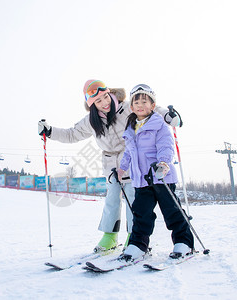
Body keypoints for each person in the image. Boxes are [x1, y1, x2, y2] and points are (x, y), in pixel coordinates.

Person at [38, 80, 181, 253]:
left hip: (132, 157)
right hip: (111, 164)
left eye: (105, 96)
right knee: (112, 199)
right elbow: (72, 134)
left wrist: (168, 116)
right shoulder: (92, 121)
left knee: (134, 199)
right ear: (92, 105)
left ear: (110, 93)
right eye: (98, 101)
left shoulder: (126, 107)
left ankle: (134, 237)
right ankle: (110, 236)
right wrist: (50, 131)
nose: (105, 103)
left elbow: (152, 109)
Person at [117, 84, 194, 262]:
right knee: (141, 213)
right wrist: (122, 168)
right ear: (131, 107)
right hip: (141, 180)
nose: (140, 105)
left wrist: (163, 163)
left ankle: (184, 243)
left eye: (145, 101)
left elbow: (166, 146)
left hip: (160, 176)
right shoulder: (130, 129)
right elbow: (129, 152)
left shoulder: (159, 125)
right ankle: (138, 245)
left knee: (171, 210)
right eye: (136, 101)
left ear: (153, 106)